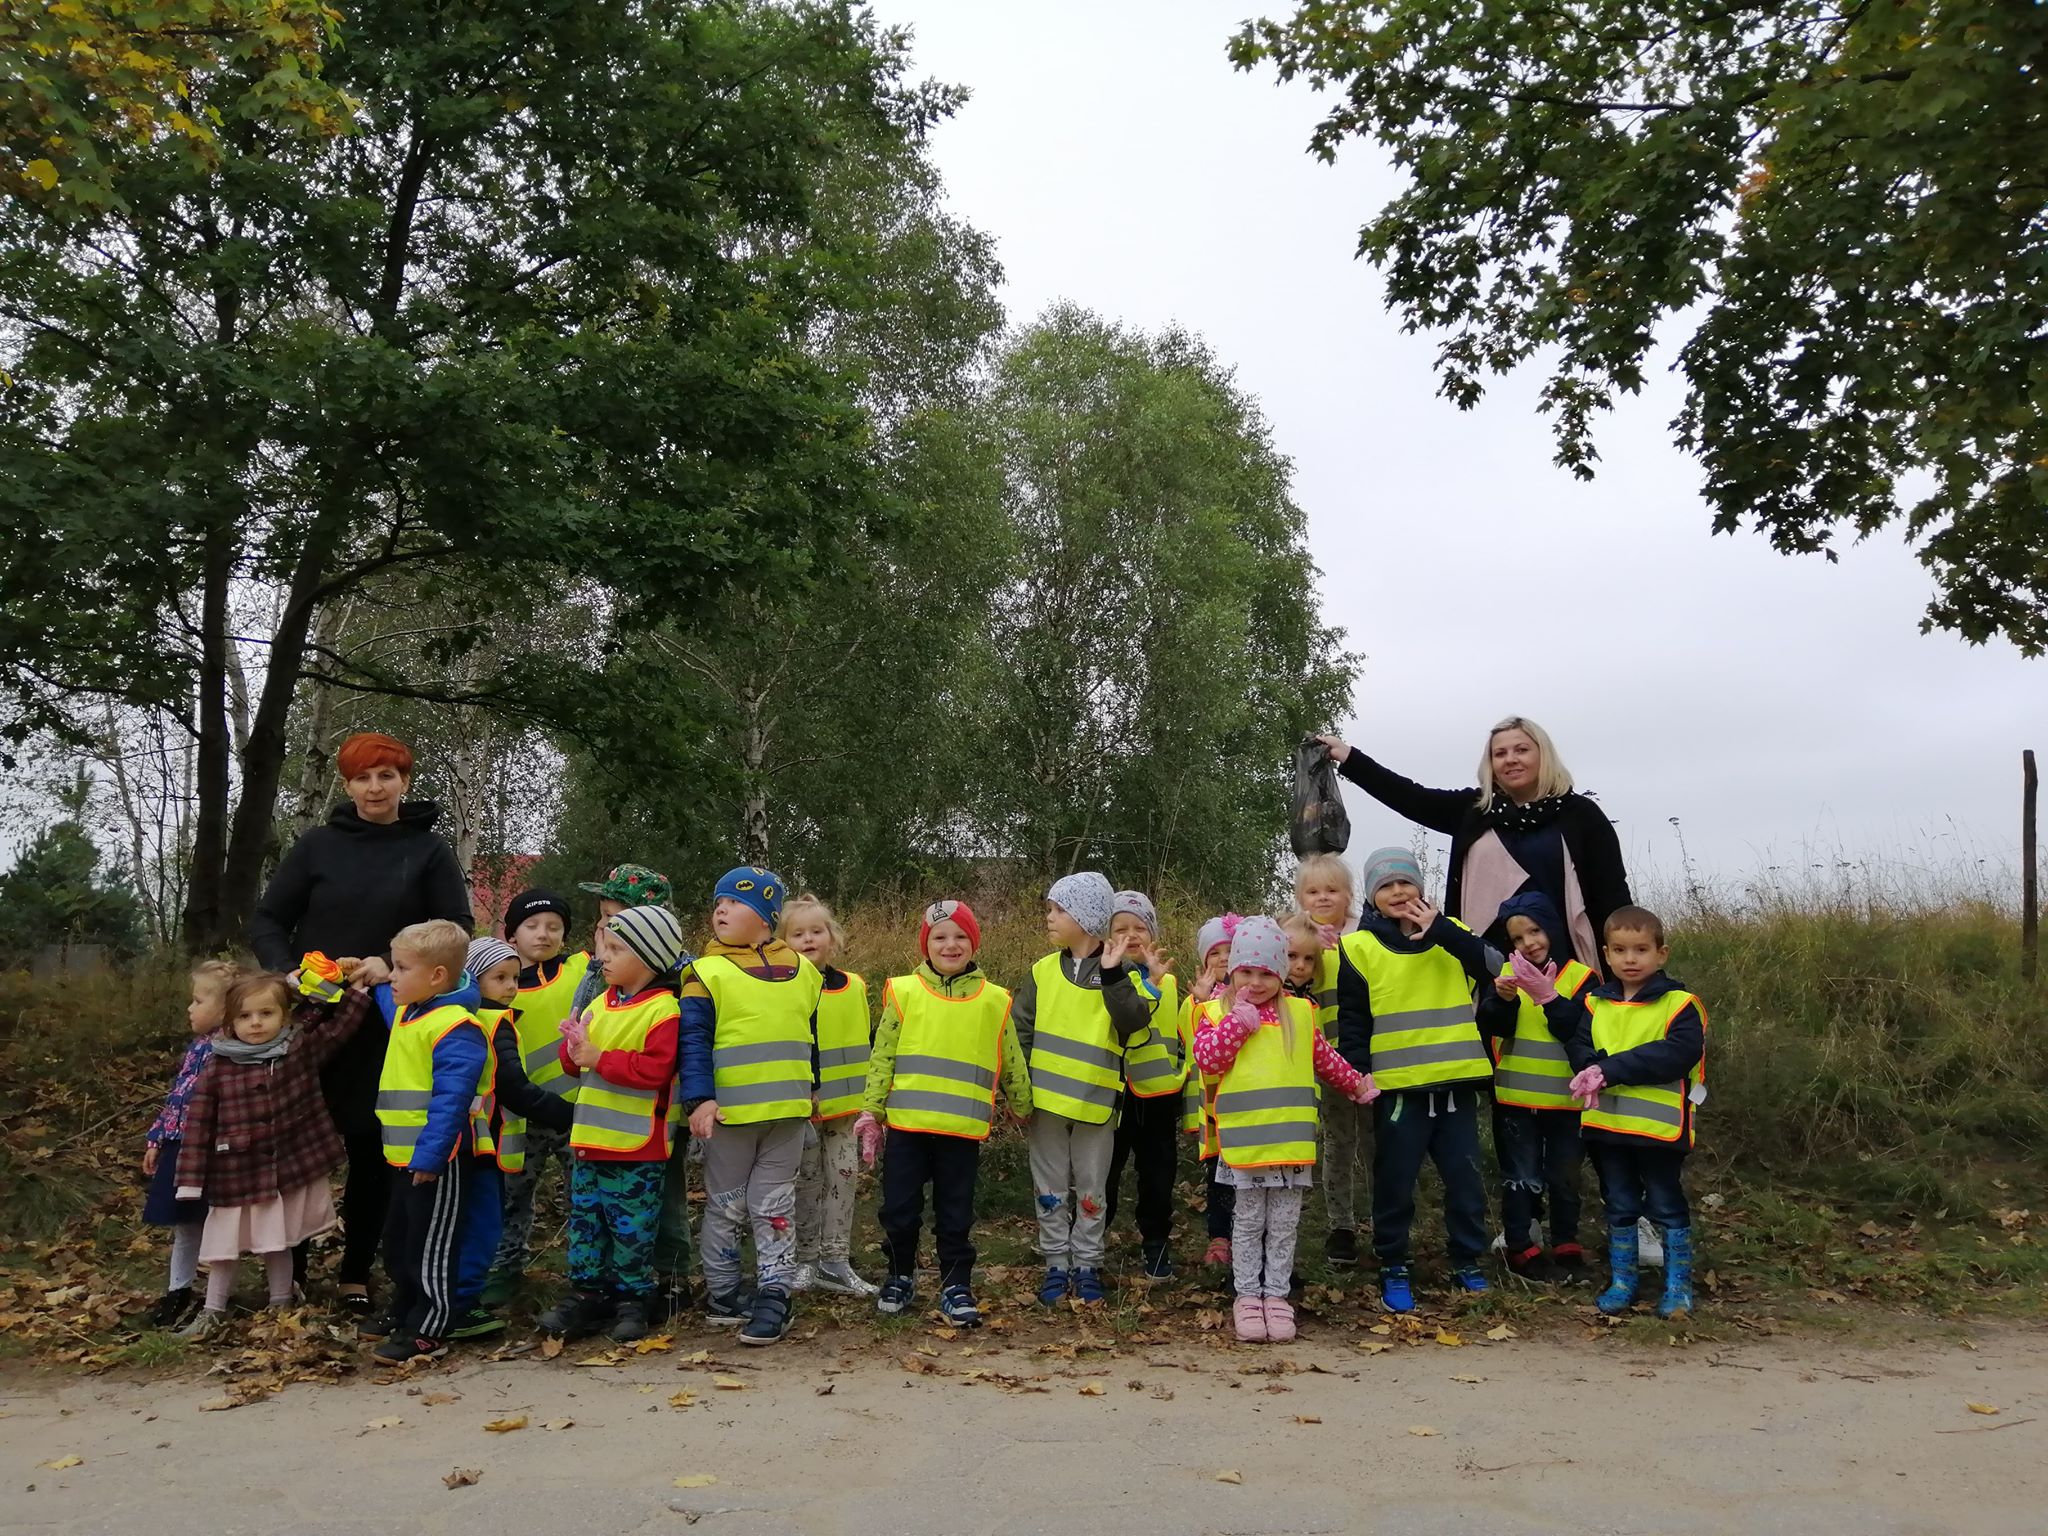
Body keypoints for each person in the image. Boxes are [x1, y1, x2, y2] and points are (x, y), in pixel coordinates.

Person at [247, 732, 472, 1317]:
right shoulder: (317, 847)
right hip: (312, 1025)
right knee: (299, 1148)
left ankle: (356, 1274)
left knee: (373, 1149)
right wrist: (288, 974)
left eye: (386, 776)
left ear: (404, 781)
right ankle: (290, 1273)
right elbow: (268, 919)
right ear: (346, 786)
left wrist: (387, 964)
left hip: (389, 1024)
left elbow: (456, 929)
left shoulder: (428, 851)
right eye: (363, 778)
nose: (375, 788)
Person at [1192, 917, 1376, 1343]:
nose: (1255, 983)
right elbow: (1208, 1060)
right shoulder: (1215, 1012)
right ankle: (1247, 1296)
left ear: (1279, 973)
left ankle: (1276, 1296)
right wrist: (1237, 1024)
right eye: (1246, 972)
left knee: (1283, 1225)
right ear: (1233, 970)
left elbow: (1325, 1058)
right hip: (1247, 1144)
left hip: (1289, 1144)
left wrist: (1355, 1085)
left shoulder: (1300, 1013)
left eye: (1266, 973)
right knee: (1248, 1223)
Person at [1316, 720, 1630, 968]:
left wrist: (1624, 960)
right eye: (1500, 753)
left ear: (1543, 755)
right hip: (1489, 962)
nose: (1511, 759)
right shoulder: (1475, 810)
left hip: (1568, 962)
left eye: (1521, 750)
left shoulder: (1580, 815)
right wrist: (1350, 758)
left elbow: (1612, 895)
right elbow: (1410, 797)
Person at [172, 960, 376, 1339]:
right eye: (245, 1016)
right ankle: (213, 1309)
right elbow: (198, 1124)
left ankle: (281, 1303)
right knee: (223, 1246)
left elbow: (338, 1030)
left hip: (282, 1168)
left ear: (284, 1015)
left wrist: (356, 992)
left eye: (266, 1014)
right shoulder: (218, 1065)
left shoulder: (297, 1050)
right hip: (234, 1171)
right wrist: (190, 1179)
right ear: (230, 1021)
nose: (255, 1023)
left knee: (278, 1239)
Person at [1335, 848, 1500, 1314]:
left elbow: (1495, 967)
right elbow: (1353, 1020)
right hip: (1398, 1090)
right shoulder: (1358, 947)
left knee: (1465, 1183)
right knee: (1395, 1185)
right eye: (1386, 886)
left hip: (1455, 1085)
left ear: (1421, 889)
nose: (1397, 892)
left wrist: (1443, 930)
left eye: (1405, 882)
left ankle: (1467, 1260)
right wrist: (1358, 1073)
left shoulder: (1454, 934)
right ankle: (1393, 1264)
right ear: (1372, 896)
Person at [854, 899, 1030, 1327]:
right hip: (907, 1129)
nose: (951, 945)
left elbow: (1011, 1057)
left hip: (961, 1132)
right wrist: (871, 1111)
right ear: (926, 944)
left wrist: (1022, 1105)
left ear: (974, 943)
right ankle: (900, 1275)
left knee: (956, 1213)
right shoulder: (904, 992)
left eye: (960, 936)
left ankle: (956, 1284)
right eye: (940, 937)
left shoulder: (994, 1000)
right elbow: (883, 1055)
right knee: (899, 1209)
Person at [1538, 906, 1707, 1319]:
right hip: (1607, 1128)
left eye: (1641, 950)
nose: (1630, 959)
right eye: (1620, 950)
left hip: (1659, 1130)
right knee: (1619, 1203)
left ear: (1661, 954)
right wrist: (1586, 1067)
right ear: (1606, 955)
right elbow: (1578, 1044)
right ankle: (1623, 1281)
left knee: (1666, 1204)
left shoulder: (1680, 1004)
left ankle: (1678, 1287)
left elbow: (1676, 1054)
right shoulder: (1595, 1003)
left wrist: (1608, 1070)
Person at [680, 866, 821, 1346]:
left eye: (734, 903)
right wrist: (699, 1099)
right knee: (727, 1207)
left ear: (765, 916)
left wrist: (813, 1087)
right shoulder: (705, 972)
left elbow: (809, 1034)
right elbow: (693, 1042)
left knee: (774, 1206)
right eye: (718, 903)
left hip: (787, 1115)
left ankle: (775, 1294)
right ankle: (722, 1293)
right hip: (730, 1117)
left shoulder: (804, 971)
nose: (721, 910)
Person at [540, 905, 690, 1343]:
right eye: (605, 946)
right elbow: (576, 1065)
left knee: (631, 1228)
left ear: (649, 957)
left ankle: (634, 1298)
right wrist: (573, 1047)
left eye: (616, 949)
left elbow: (656, 1070)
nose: (603, 956)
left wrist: (598, 1057)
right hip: (590, 1142)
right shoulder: (599, 1003)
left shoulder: (665, 1010)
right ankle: (588, 1293)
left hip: (636, 1147)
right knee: (586, 1222)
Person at [1015, 872, 1153, 1306]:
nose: (1050, 917)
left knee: (1093, 1189)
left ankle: (1089, 1265)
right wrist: (1018, 1093)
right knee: (1049, 1187)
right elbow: (1020, 1033)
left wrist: (1112, 977)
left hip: (1097, 1104)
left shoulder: (1122, 971)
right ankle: (1056, 1264)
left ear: (1086, 917)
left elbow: (1134, 1022)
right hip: (1046, 1106)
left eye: (1058, 910)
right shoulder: (1041, 972)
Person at [364, 919, 489, 1364]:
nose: (393, 976)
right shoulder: (408, 1010)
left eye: (401, 968)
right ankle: (404, 1308)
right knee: (399, 1240)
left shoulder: (457, 1027)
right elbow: (384, 995)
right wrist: (368, 973)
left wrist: (433, 1156)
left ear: (437, 976)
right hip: (401, 1157)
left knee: (430, 1246)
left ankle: (429, 1326)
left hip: (438, 1160)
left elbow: (452, 1099)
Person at [450, 937, 573, 1339]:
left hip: (476, 1138)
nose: (510, 987)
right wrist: (564, 1112)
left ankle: (477, 1282)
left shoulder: (462, 1016)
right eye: (499, 978)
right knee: (493, 1214)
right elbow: (513, 1087)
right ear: (472, 979)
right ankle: (475, 1291)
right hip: (488, 1139)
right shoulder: (493, 1022)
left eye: (514, 978)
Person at [1476, 892, 1595, 1281]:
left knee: (1565, 1177)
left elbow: (1579, 1031)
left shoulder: (1582, 978)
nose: (1529, 943)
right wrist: (1503, 1001)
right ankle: (1520, 1246)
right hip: (1516, 1101)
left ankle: (1566, 1244)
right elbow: (1492, 1027)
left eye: (1535, 931)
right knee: (1521, 1176)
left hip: (1568, 1102)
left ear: (1553, 929)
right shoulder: (1506, 977)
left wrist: (1549, 998)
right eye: (1517, 938)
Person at [485, 887, 587, 1305]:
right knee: (512, 1197)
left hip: (577, 1113)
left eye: (554, 927)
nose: (543, 934)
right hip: (518, 1117)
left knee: (583, 1196)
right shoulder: (496, 988)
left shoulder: (583, 971)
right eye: (532, 925)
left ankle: (585, 1271)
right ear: (512, 934)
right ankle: (504, 1269)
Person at [781, 893, 878, 1297]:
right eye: (797, 934)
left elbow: (867, 1042)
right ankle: (805, 1260)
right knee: (805, 1181)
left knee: (844, 1176)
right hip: (804, 1108)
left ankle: (835, 1260)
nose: (808, 939)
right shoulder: (783, 989)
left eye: (816, 931)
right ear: (782, 943)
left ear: (832, 937)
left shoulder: (854, 986)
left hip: (847, 1109)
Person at [139, 959, 240, 1331]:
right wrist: (157, 1137)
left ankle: (216, 1297)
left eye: (198, 1001)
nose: (190, 1008)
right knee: (184, 1222)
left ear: (224, 1009)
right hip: (179, 1145)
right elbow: (177, 1097)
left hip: (212, 1150)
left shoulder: (232, 1050)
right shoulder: (197, 1048)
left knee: (216, 1222)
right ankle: (178, 1290)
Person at [1101, 890, 1186, 1279]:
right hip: (1115, 1096)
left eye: (1140, 927)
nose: (1131, 935)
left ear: (1153, 933)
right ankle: (1091, 1238)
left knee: (1158, 1177)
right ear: (1107, 935)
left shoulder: (1170, 981)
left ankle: (1156, 1242)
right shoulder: (1104, 978)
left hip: (1158, 1097)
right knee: (1105, 1173)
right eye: (1121, 928)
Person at [1295, 853, 1366, 1268]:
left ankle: (1384, 1217)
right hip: (1325, 1060)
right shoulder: (1297, 941)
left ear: (1348, 895)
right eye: (1313, 891)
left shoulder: (1366, 934)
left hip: (1369, 1059)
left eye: (1332, 890)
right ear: (1300, 898)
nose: (1323, 898)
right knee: (1339, 1141)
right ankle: (1341, 1225)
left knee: (1376, 1141)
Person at [1188, 914, 1242, 1268]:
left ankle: (1247, 1234)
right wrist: (1199, 1000)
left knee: (1248, 1176)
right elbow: (1192, 1041)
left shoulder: (1259, 992)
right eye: (1215, 953)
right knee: (1218, 1174)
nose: (1224, 959)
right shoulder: (1203, 1000)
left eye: (1231, 950)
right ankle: (1219, 1235)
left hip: (1248, 1105)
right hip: (1215, 1107)